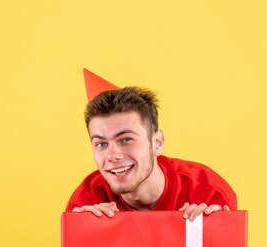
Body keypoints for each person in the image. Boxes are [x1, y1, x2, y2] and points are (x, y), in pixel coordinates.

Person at [67, 71, 236, 221]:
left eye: (126, 140)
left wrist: (214, 230)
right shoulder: (85, 204)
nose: (112, 155)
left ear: (157, 143)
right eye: (101, 144)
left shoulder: (208, 192)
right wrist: (86, 234)